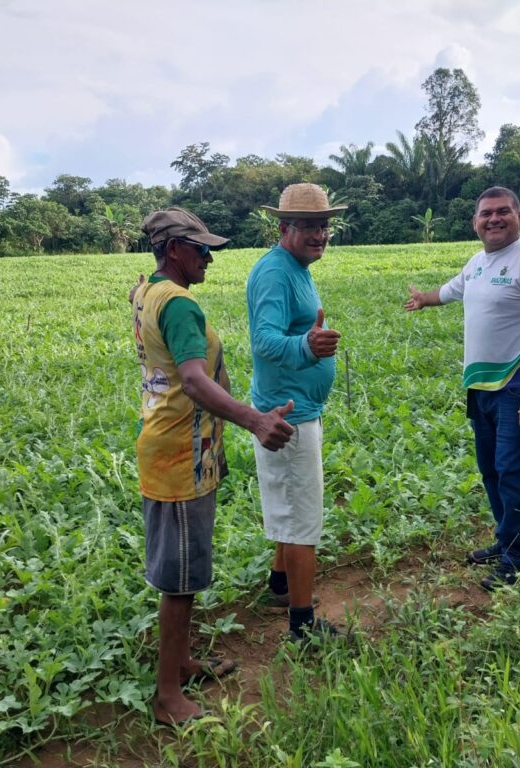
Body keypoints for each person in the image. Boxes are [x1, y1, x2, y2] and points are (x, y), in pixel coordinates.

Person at [131, 207, 295, 725]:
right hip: (180, 454)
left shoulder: (148, 291)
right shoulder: (179, 306)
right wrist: (255, 420)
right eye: (201, 249)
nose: (209, 258)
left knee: (184, 565)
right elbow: (196, 382)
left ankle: (180, 663)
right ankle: (167, 696)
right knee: (180, 579)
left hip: (175, 446)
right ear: (174, 249)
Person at [405, 187, 520, 591]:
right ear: (475, 221)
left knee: (515, 472)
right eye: (485, 214)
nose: (493, 219)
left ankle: (519, 555)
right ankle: (506, 539)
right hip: (480, 387)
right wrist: (425, 298)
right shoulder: (478, 262)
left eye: (502, 212)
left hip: (517, 385)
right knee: (492, 471)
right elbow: (455, 289)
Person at [246, 183, 346, 641]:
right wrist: (308, 345)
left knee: (287, 506)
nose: (319, 234)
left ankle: (281, 584)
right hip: (287, 415)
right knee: (303, 518)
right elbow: (264, 341)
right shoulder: (275, 272)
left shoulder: (295, 266)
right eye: (307, 225)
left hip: (296, 409)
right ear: (283, 227)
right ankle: (303, 626)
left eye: (323, 225)